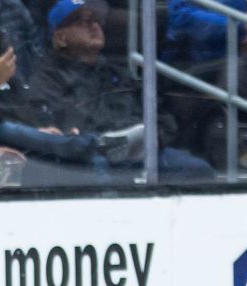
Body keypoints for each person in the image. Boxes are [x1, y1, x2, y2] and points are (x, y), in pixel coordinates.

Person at [21, 0, 216, 183]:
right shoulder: (47, 81)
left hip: (140, 154)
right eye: (84, 21)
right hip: (88, 160)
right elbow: (50, 131)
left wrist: (157, 138)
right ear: (60, 38)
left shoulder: (116, 72)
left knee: (199, 170)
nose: (94, 26)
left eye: (97, 20)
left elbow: (161, 115)